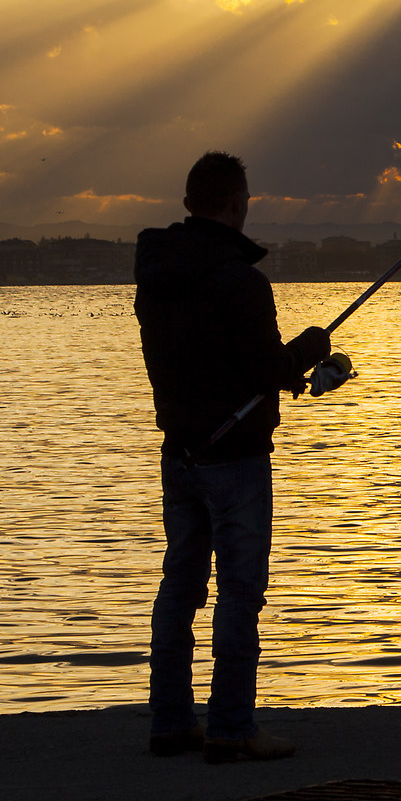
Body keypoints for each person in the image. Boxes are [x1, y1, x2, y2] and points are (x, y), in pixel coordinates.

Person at [135, 150, 330, 763]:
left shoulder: (156, 274)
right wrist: (312, 347)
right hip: (237, 458)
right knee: (240, 592)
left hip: (180, 452)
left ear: (191, 202)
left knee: (181, 586)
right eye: (245, 201)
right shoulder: (241, 280)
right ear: (235, 203)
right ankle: (232, 729)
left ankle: (170, 722)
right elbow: (265, 367)